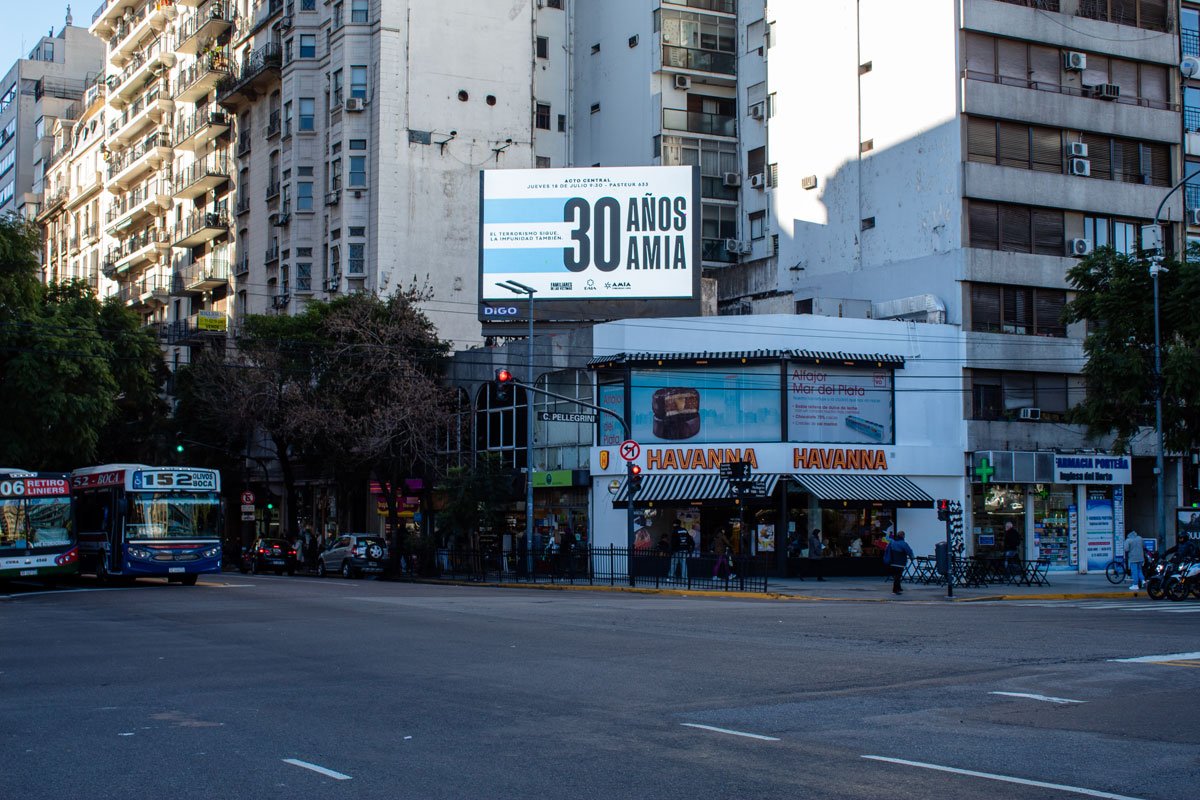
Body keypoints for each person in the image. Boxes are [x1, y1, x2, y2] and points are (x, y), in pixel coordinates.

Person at [883, 531, 914, 595]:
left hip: (892, 562)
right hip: (900, 562)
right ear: (903, 536)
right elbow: (909, 551)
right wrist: (912, 557)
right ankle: (895, 590)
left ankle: (899, 588)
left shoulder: (892, 542)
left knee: (896, 576)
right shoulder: (903, 543)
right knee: (898, 576)